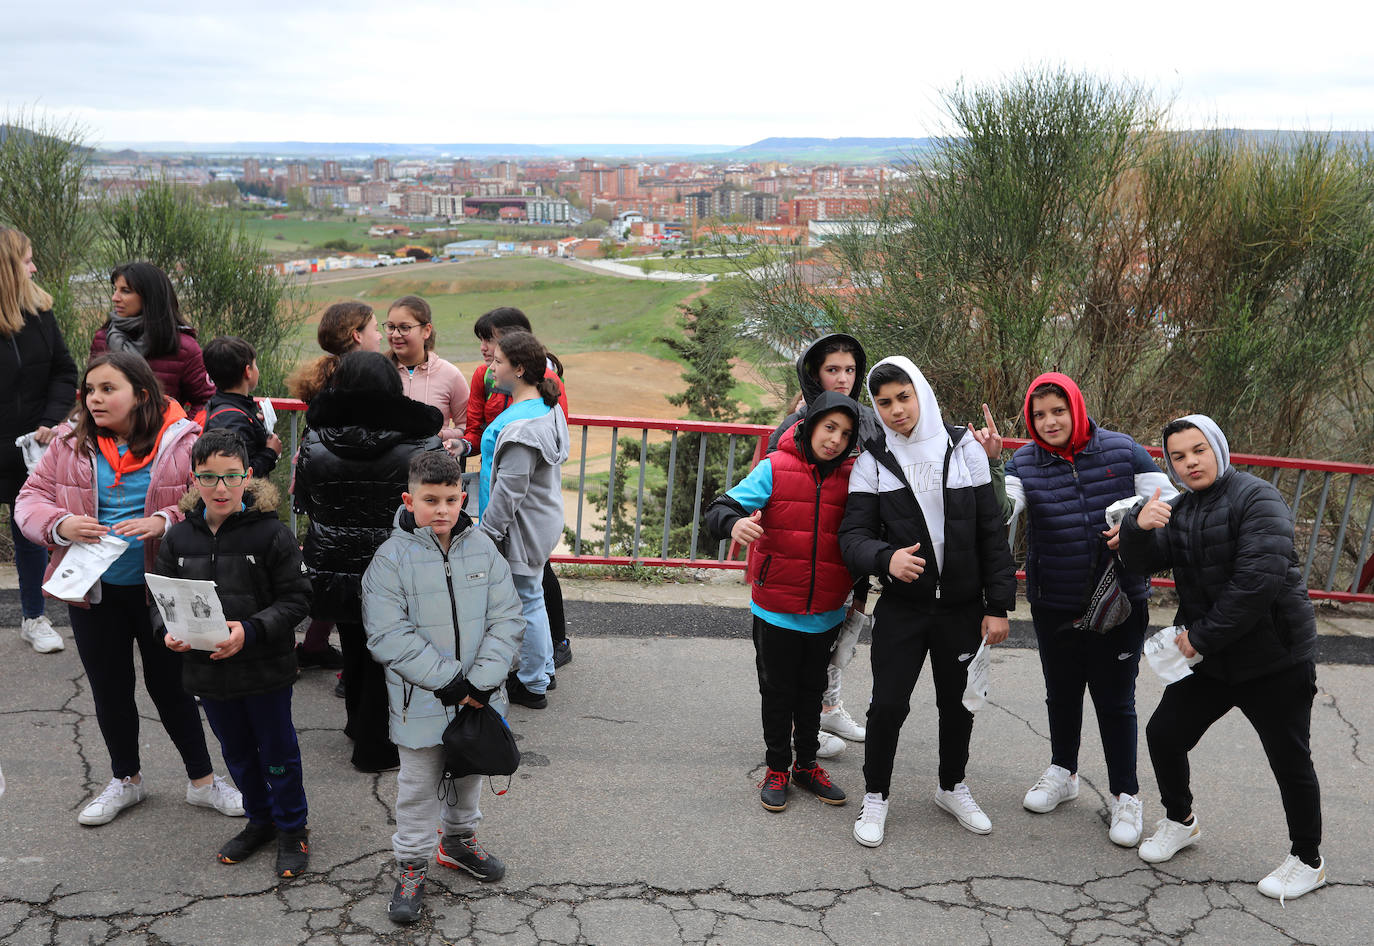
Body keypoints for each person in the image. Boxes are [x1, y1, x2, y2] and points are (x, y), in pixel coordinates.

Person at [15, 351, 243, 826]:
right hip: (94, 593)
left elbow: (210, 497)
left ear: (140, 394)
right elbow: (30, 498)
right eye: (89, 390)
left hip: (162, 592)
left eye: (107, 389)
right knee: (109, 689)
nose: (95, 399)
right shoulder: (68, 443)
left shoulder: (184, 441)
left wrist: (166, 520)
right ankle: (126, 781)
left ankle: (203, 783)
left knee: (174, 688)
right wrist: (59, 525)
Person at [1118, 414, 1327, 902]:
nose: (1190, 462)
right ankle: (1181, 821)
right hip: (1213, 661)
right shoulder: (1184, 508)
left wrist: (1201, 637)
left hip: (1274, 658)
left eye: (1198, 450)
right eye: (1178, 457)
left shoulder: (1257, 498)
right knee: (1164, 735)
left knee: (1289, 760)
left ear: (1217, 447)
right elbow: (1142, 561)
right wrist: (1137, 526)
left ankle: (1308, 859)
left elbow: (1258, 581)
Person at [838, 356, 1015, 848]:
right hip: (903, 609)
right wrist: (885, 558)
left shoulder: (964, 450)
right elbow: (851, 536)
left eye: (903, 397)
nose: (896, 410)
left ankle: (951, 786)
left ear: (921, 392)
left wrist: (998, 606)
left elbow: (991, 537)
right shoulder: (873, 459)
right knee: (887, 705)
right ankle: (876, 796)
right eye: (884, 402)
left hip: (961, 608)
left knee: (958, 705)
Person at [1002, 373, 1176, 847]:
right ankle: (1064, 771)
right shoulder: (1023, 462)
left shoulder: (1123, 450)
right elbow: (1004, 511)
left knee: (1116, 701)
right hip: (1052, 599)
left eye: (1058, 410)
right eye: (1038, 415)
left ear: (1076, 408)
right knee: (1061, 693)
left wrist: (1138, 525)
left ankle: (1126, 794)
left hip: (1120, 600)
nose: (1049, 421)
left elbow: (1170, 501)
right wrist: (980, 465)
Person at [362, 451, 524, 925]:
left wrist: (482, 681)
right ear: (409, 500)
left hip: (479, 695)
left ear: (463, 497)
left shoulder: (483, 550)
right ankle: (412, 865)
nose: (441, 510)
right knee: (418, 786)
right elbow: (388, 634)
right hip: (423, 702)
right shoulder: (390, 559)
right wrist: (450, 682)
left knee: (469, 773)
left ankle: (457, 842)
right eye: (430, 500)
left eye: (450, 499)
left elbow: (507, 618)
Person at [156, 429, 313, 877]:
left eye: (231, 477)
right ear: (193, 479)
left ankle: (292, 828)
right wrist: (166, 633)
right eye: (208, 477)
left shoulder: (272, 533)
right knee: (237, 753)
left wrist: (250, 629)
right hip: (207, 673)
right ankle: (260, 820)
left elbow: (298, 599)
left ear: (248, 476)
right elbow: (160, 602)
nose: (220, 488)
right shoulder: (178, 539)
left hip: (265, 669)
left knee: (278, 751)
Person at [705, 391, 861, 812]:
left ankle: (806, 765)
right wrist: (735, 522)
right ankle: (777, 767)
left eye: (845, 434)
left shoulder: (855, 475)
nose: (835, 440)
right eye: (829, 428)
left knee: (812, 692)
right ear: (809, 424)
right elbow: (720, 508)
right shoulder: (775, 467)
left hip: (827, 608)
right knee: (777, 692)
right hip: (775, 607)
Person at [292, 350, 443, 772]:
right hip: (398, 565)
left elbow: (304, 497)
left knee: (355, 642)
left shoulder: (317, 437)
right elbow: (432, 511)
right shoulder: (421, 441)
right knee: (389, 657)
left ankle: (358, 723)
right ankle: (375, 748)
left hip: (334, 559)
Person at [767, 333, 884, 756]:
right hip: (806, 554)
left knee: (846, 634)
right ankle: (804, 728)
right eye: (832, 369)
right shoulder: (795, 423)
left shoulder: (869, 419)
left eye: (850, 370)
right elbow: (771, 482)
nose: (843, 378)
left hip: (851, 552)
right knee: (803, 650)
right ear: (814, 373)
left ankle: (829, 707)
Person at [460, 308, 573, 675]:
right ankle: (541, 671)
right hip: (538, 517)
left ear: (519, 368)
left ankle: (533, 679)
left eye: (497, 360)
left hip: (519, 524)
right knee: (531, 596)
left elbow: (510, 487)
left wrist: (490, 531)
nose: (490, 367)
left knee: (526, 599)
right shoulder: (546, 405)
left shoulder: (522, 423)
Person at [287, 301, 383, 675]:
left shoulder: (328, 376)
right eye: (375, 327)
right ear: (357, 335)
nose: (380, 335)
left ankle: (315, 646)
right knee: (354, 575)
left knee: (334, 568)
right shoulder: (358, 380)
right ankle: (354, 670)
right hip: (348, 487)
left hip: (323, 484)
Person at [0, 227, 78, 654]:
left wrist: (51, 421)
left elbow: (65, 371)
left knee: (30, 535)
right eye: (27, 259)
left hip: (28, 449)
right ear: (8, 268)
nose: (34, 267)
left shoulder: (40, 314)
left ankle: (34, 617)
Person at [90, 262, 215, 417]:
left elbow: (206, 401)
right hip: (108, 439)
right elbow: (90, 393)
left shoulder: (184, 347)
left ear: (150, 296)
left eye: (125, 291)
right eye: (115, 290)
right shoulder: (102, 340)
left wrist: (178, 432)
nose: (115, 298)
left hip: (161, 438)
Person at [384, 295, 469, 454]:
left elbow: (467, 428)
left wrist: (441, 435)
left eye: (404, 327)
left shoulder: (450, 374)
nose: (395, 334)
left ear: (426, 330)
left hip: (434, 474)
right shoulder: (377, 374)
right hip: (385, 473)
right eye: (390, 327)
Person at [201, 336, 282, 478]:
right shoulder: (232, 419)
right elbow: (235, 477)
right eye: (255, 365)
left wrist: (253, 423)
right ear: (248, 371)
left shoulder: (224, 408)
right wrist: (270, 453)